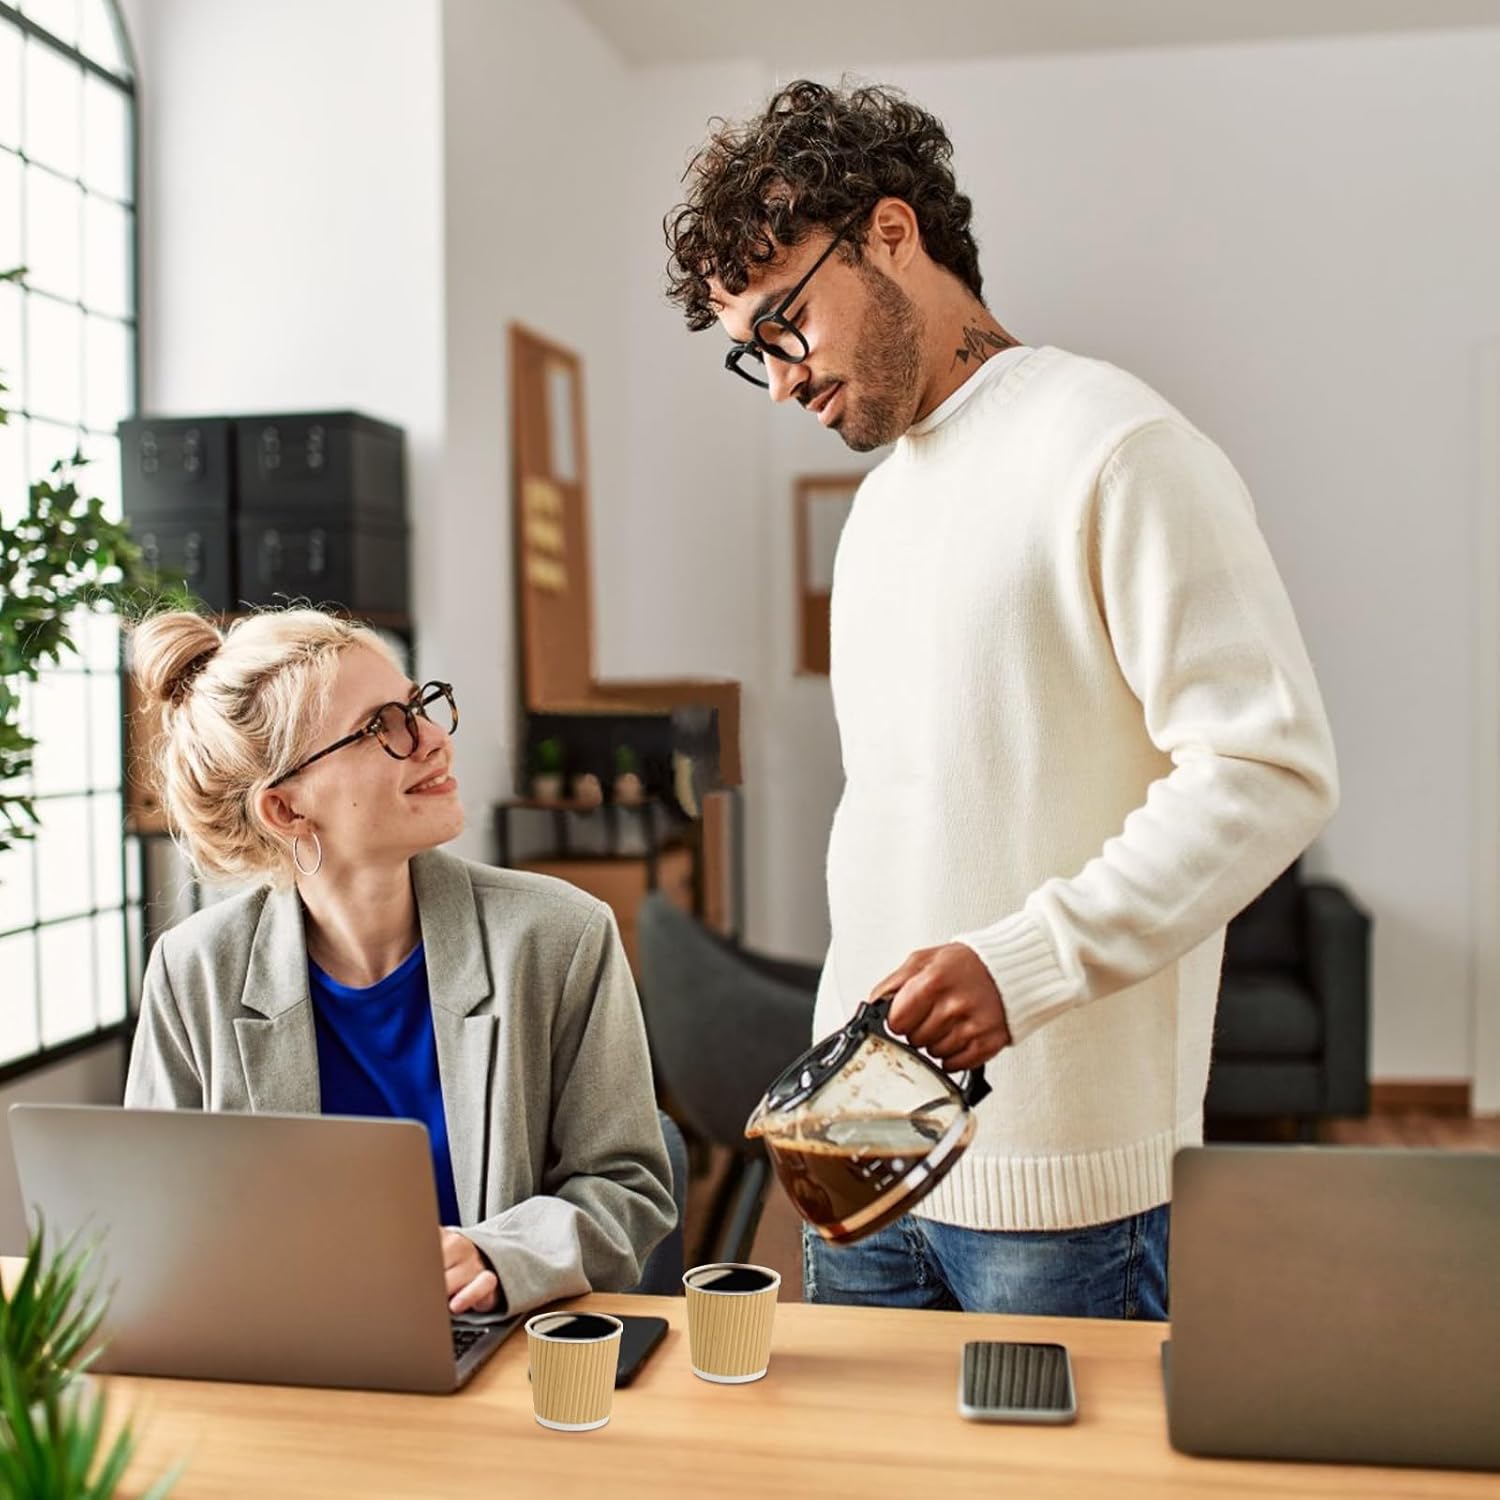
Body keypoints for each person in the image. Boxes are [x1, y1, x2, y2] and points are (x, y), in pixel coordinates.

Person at [665, 79, 1338, 1318]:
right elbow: (901, 827)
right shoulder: (880, 509)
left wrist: (1024, 964)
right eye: (749, 352)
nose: (778, 384)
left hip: (1066, 1197)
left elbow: (1269, 770)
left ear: (889, 233)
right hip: (862, 1158)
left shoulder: (1117, 447)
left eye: (785, 325)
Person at [124, 607, 675, 1319]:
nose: (434, 739)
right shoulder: (193, 971)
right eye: (381, 727)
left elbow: (628, 1187)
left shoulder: (561, 938)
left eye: (418, 707)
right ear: (286, 810)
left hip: (503, 1346)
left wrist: (500, 1256)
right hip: (283, 1348)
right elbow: (158, 1223)